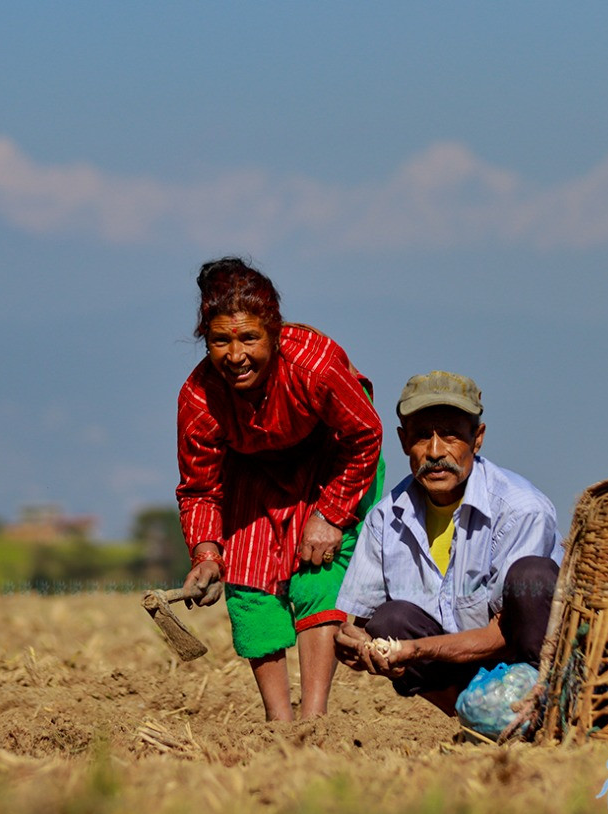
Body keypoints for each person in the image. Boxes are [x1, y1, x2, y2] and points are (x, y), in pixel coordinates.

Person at [177, 257, 383, 721]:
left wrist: (330, 514)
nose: (235, 356)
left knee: (317, 573)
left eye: (249, 338)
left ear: (274, 332)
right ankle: (279, 724)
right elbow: (200, 488)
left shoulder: (315, 364)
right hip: (252, 469)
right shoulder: (198, 398)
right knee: (249, 582)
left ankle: (313, 721)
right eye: (220, 341)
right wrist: (207, 554)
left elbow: (365, 435)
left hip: (334, 459)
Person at [334, 371, 562, 716]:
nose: (436, 451)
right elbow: (363, 626)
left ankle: (544, 712)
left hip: (520, 660)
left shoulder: (521, 508)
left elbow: (503, 634)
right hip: (455, 672)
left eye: (452, 435)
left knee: (533, 575)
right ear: (402, 440)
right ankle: (470, 717)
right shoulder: (385, 518)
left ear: (478, 438)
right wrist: (357, 647)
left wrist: (413, 650)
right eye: (423, 436)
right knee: (389, 619)